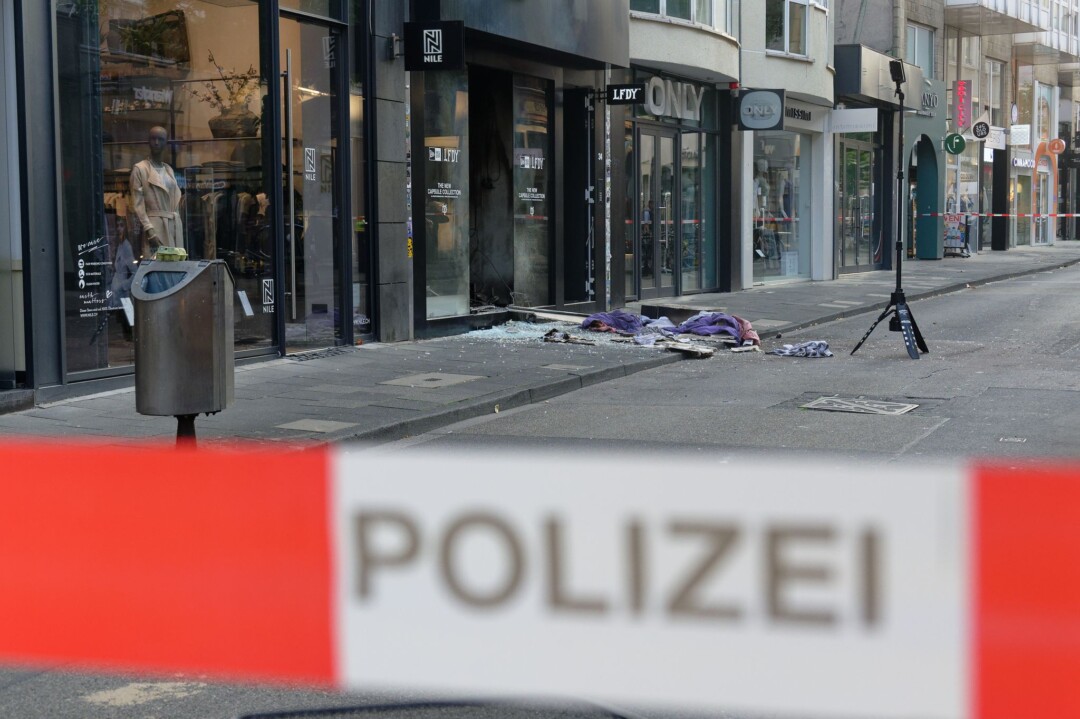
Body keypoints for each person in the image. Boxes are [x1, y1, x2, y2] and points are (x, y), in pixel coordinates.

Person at [131, 126, 183, 257]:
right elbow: (138, 205)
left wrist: (177, 226)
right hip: (155, 227)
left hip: (174, 226)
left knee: (175, 264)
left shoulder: (169, 170)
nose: (156, 142)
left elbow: (175, 200)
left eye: (160, 139)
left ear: (166, 143)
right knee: (156, 264)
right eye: (153, 138)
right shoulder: (140, 169)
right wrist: (150, 231)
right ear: (148, 141)